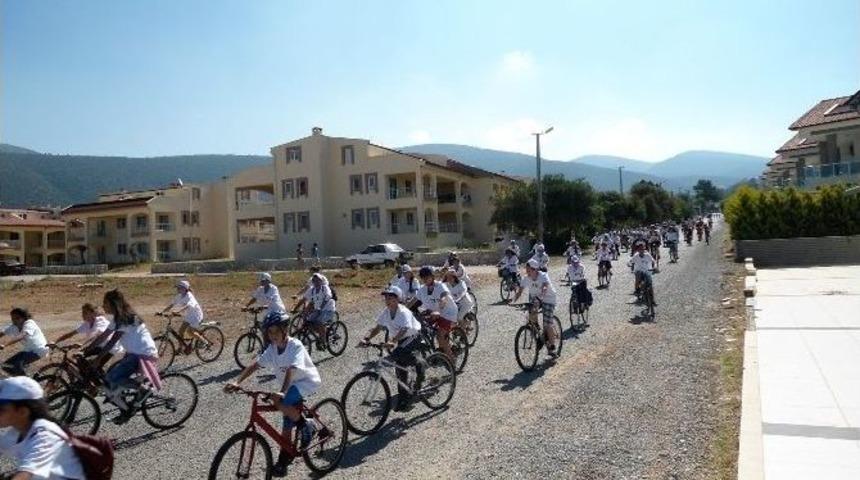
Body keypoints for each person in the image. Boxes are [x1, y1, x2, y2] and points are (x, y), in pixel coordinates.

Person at [225, 313, 322, 477]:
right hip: (289, 386)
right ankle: (284, 459)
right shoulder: (272, 349)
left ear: (285, 329)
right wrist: (237, 382)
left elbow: (292, 369)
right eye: (269, 332)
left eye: (275, 331)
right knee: (286, 422)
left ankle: (306, 425)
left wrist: (282, 392)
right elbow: (255, 365)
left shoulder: (295, 345)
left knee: (281, 403)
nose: (272, 335)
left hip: (305, 382)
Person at [93, 289, 160, 424]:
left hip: (143, 354)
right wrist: (85, 350)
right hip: (134, 353)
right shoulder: (117, 319)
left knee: (112, 377)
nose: (103, 306)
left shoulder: (125, 319)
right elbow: (103, 336)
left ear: (113, 304)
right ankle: (126, 409)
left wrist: (97, 359)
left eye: (105, 303)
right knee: (110, 380)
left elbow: (112, 342)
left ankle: (143, 389)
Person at [0, 377, 86, 479]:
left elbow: (24, 475)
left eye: (1, 409)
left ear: (23, 412)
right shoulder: (17, 431)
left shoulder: (45, 436)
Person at [360, 286, 423, 411]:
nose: (387, 300)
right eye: (386, 298)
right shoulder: (386, 311)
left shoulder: (403, 311)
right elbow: (378, 327)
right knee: (399, 366)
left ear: (397, 299)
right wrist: (366, 339)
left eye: (390, 297)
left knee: (399, 354)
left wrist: (392, 341)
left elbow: (404, 329)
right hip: (401, 338)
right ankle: (404, 396)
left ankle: (420, 364)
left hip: (413, 335)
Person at [49, 303, 122, 375]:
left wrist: (82, 345)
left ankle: (98, 380)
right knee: (80, 359)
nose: (83, 315)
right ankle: (86, 378)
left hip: (110, 348)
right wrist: (55, 342)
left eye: (85, 313)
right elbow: (70, 334)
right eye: (82, 312)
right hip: (99, 346)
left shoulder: (100, 321)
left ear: (93, 313)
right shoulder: (87, 323)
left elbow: (94, 336)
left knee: (90, 364)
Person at [512, 260, 559, 358]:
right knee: (531, 316)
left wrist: (540, 298)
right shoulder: (526, 278)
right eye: (526, 270)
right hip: (535, 298)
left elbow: (545, 287)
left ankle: (552, 347)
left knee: (547, 324)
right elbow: (519, 291)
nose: (527, 272)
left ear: (535, 269)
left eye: (529, 270)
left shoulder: (543, 276)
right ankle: (539, 332)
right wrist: (513, 301)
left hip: (548, 298)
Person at [415, 266, 458, 363]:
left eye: (427, 277)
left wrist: (440, 307)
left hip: (448, 314)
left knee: (440, 335)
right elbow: (414, 301)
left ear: (432, 276)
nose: (425, 279)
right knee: (421, 327)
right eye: (423, 277)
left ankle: (452, 360)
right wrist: (403, 309)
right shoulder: (422, 289)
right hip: (434, 314)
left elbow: (444, 297)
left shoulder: (440, 286)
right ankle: (439, 349)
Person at [160, 280, 209, 354]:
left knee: (190, 331)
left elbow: (187, 306)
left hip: (196, 316)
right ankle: (180, 348)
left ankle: (203, 342)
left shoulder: (189, 296)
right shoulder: (179, 296)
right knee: (180, 331)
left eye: (179, 288)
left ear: (184, 288)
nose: (177, 289)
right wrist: (162, 312)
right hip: (189, 315)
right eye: (177, 288)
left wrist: (178, 311)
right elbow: (172, 304)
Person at [0, 309, 49, 376]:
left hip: (39, 349)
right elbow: (2, 333)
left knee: (17, 364)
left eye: (17, 318)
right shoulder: (14, 326)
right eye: (12, 319)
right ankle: (18, 379)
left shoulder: (29, 323)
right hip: (28, 350)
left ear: (24, 317)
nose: (14, 320)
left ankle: (26, 381)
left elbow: (22, 335)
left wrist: (5, 345)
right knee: (6, 366)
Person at [300, 273, 336, 350]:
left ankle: (324, 341)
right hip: (318, 309)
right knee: (308, 322)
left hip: (328, 309)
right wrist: (299, 310)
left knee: (319, 322)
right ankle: (322, 333)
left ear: (321, 281)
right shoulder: (312, 290)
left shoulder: (325, 288)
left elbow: (327, 297)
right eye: (314, 280)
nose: (316, 282)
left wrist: (320, 307)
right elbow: (305, 299)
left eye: (318, 280)